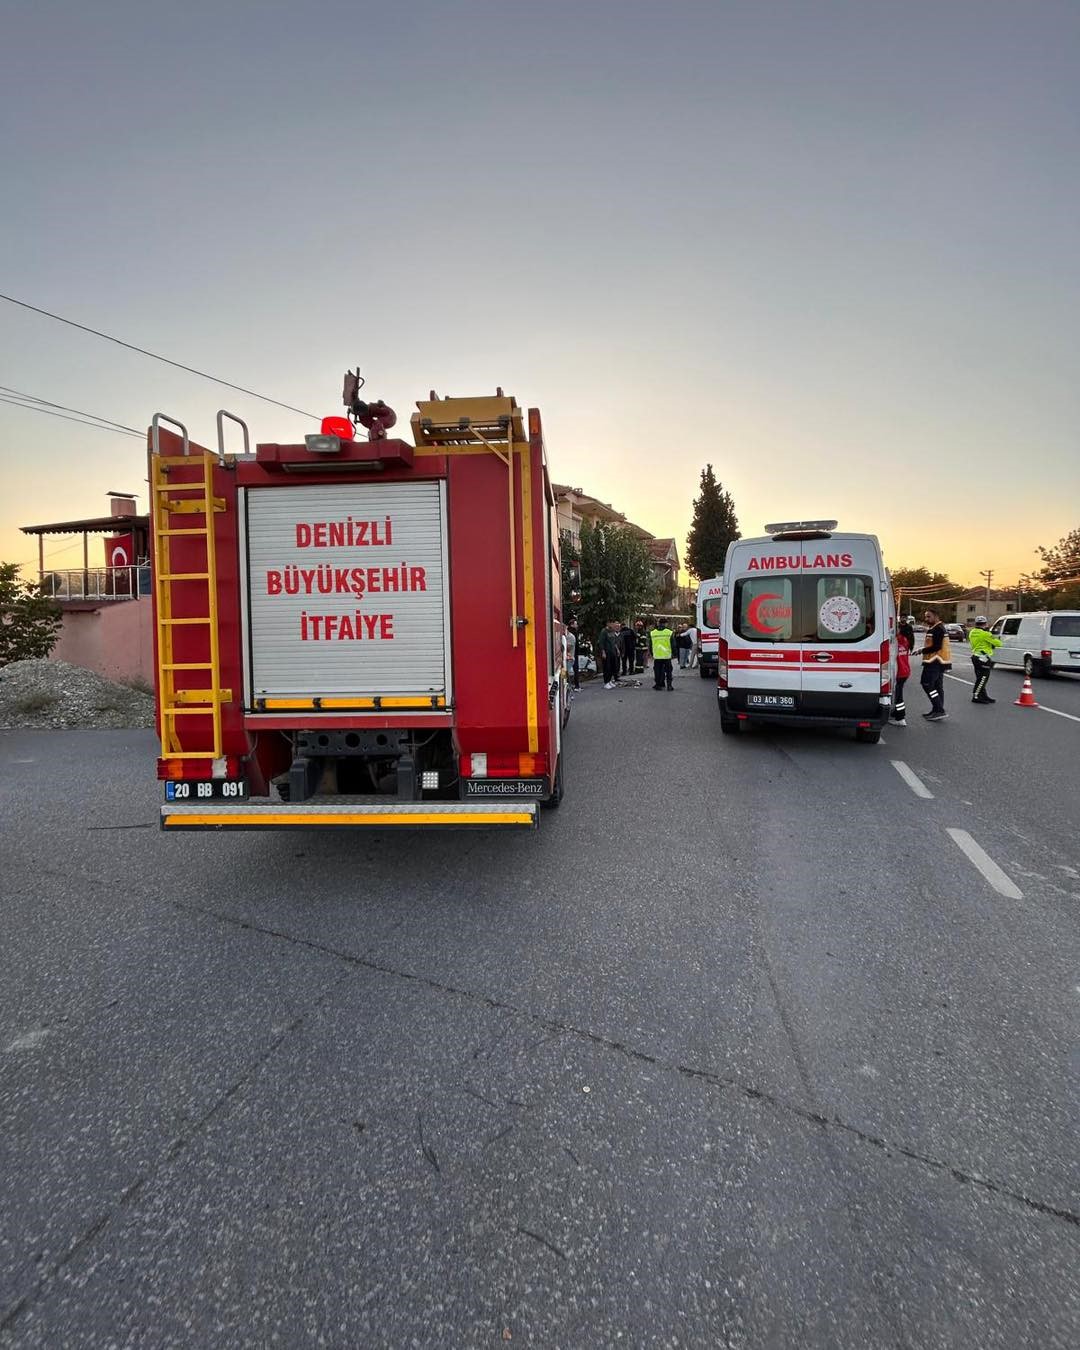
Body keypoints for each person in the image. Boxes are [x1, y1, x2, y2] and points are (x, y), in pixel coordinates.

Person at [917, 608, 952, 720]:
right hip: (936, 661)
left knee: (927, 684)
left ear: (936, 616)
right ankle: (937, 709)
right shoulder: (935, 628)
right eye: (926, 616)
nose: (926, 618)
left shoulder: (938, 629)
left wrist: (922, 650)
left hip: (935, 661)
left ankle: (939, 709)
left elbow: (936, 646)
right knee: (937, 686)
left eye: (928, 616)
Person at [968, 615, 1001, 704]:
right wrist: (992, 636)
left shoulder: (972, 632)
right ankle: (976, 696)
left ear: (976, 623)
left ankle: (983, 696)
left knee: (980, 678)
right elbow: (998, 644)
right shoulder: (985, 634)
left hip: (975, 657)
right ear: (985, 624)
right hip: (984, 658)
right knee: (982, 679)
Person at [891, 626, 911, 726]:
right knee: (898, 693)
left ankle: (900, 718)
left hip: (899, 672)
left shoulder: (895, 643)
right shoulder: (905, 640)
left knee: (898, 697)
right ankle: (896, 713)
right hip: (905, 671)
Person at [650, 619, 674, 690]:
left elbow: (650, 645)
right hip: (667, 656)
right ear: (665, 624)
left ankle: (658, 685)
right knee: (668, 671)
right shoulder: (669, 632)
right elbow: (673, 644)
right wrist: (674, 654)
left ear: (658, 624)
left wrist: (652, 653)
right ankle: (669, 686)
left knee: (657, 671)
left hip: (657, 656)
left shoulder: (653, 633)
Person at [598, 619, 622, 689]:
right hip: (607, 652)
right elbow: (601, 643)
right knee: (607, 668)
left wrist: (617, 649)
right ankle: (606, 682)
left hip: (613, 652)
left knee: (612, 667)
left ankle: (610, 681)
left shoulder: (612, 631)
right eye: (612, 623)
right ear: (608, 624)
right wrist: (603, 652)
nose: (613, 625)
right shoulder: (604, 632)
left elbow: (614, 642)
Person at [566, 618, 580, 690]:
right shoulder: (572, 633)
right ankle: (575, 686)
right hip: (572, 654)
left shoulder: (573, 632)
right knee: (573, 670)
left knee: (572, 670)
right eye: (575, 624)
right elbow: (570, 645)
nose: (577, 625)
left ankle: (574, 685)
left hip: (573, 653)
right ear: (571, 625)